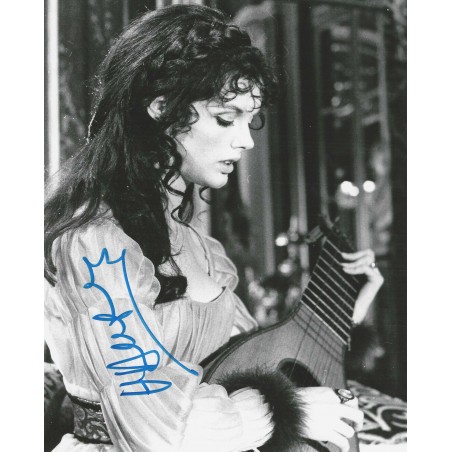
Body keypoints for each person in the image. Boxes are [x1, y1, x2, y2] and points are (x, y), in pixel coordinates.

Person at [44, 4, 384, 451]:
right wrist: (290, 410)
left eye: (248, 120)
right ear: (162, 108)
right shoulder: (94, 243)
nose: (245, 140)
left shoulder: (201, 248)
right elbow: (158, 427)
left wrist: (344, 312)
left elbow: (248, 359)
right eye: (226, 118)